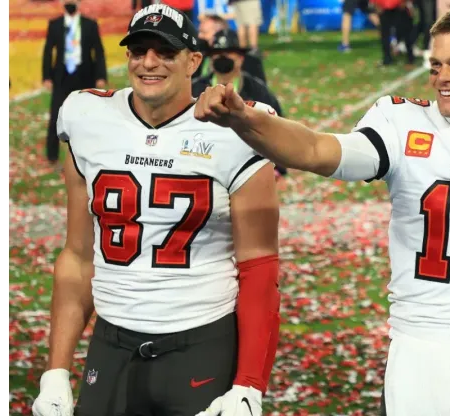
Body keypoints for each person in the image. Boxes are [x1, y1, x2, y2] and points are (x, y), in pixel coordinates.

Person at [195, 7, 450, 415]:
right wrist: (245, 120)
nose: (443, 77)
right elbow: (316, 150)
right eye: (436, 65)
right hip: (419, 352)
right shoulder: (403, 123)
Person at [31, 5, 280, 416]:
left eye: (165, 51)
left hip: (200, 343)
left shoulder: (236, 129)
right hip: (111, 343)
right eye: (138, 50)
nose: (149, 62)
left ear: (193, 60)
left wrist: (249, 384)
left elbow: (259, 265)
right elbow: (78, 255)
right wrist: (55, 370)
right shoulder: (87, 117)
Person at [192, 30, 287, 177]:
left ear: (241, 58)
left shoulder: (258, 91)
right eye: (217, 53)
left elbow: (278, 128)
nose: (222, 57)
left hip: (247, 168)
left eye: (229, 52)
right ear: (210, 59)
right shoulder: (194, 90)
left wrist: (278, 169)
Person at [42, 0, 107, 170]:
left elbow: (98, 51)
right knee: (56, 116)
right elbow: (49, 51)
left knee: (87, 117)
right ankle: (52, 157)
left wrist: (101, 76)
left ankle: (89, 155)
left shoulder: (90, 25)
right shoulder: (55, 24)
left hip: (84, 76)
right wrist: (46, 76)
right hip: (61, 78)